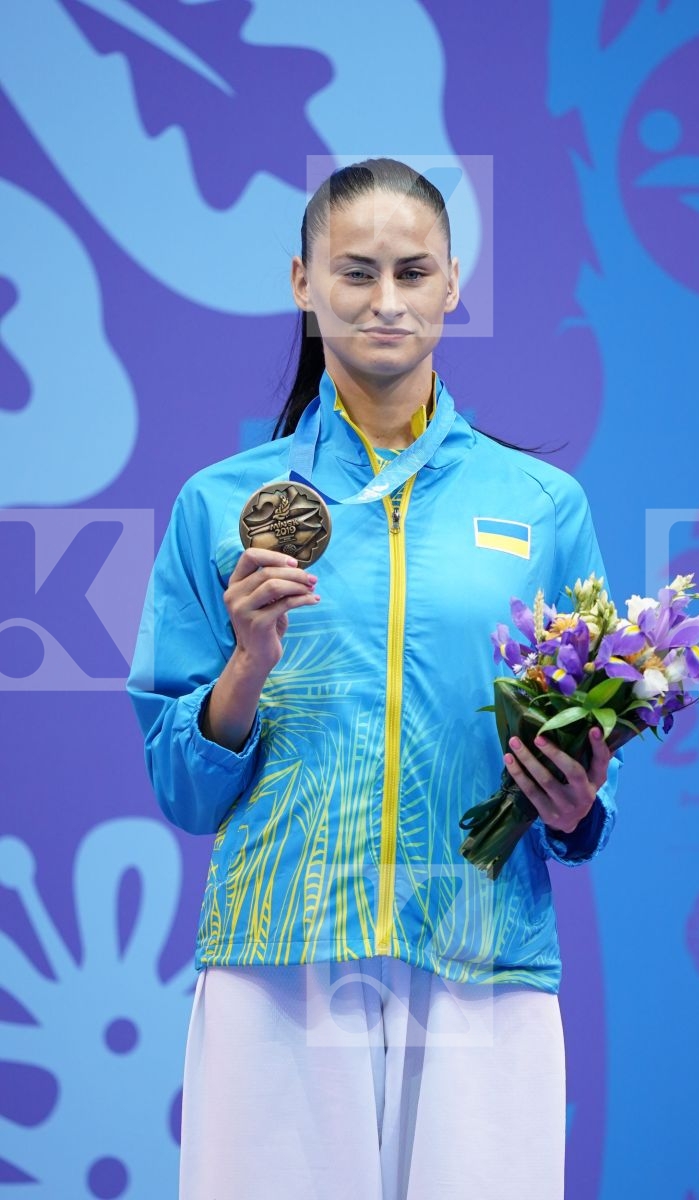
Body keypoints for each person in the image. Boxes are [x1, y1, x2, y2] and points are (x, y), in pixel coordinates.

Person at [127, 157, 619, 1200]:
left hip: (480, 951)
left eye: (411, 272)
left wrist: (579, 805)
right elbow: (182, 785)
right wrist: (246, 665)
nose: (384, 301)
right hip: (281, 953)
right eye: (354, 272)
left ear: (453, 287)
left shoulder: (541, 506)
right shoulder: (220, 508)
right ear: (302, 283)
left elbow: (582, 760)